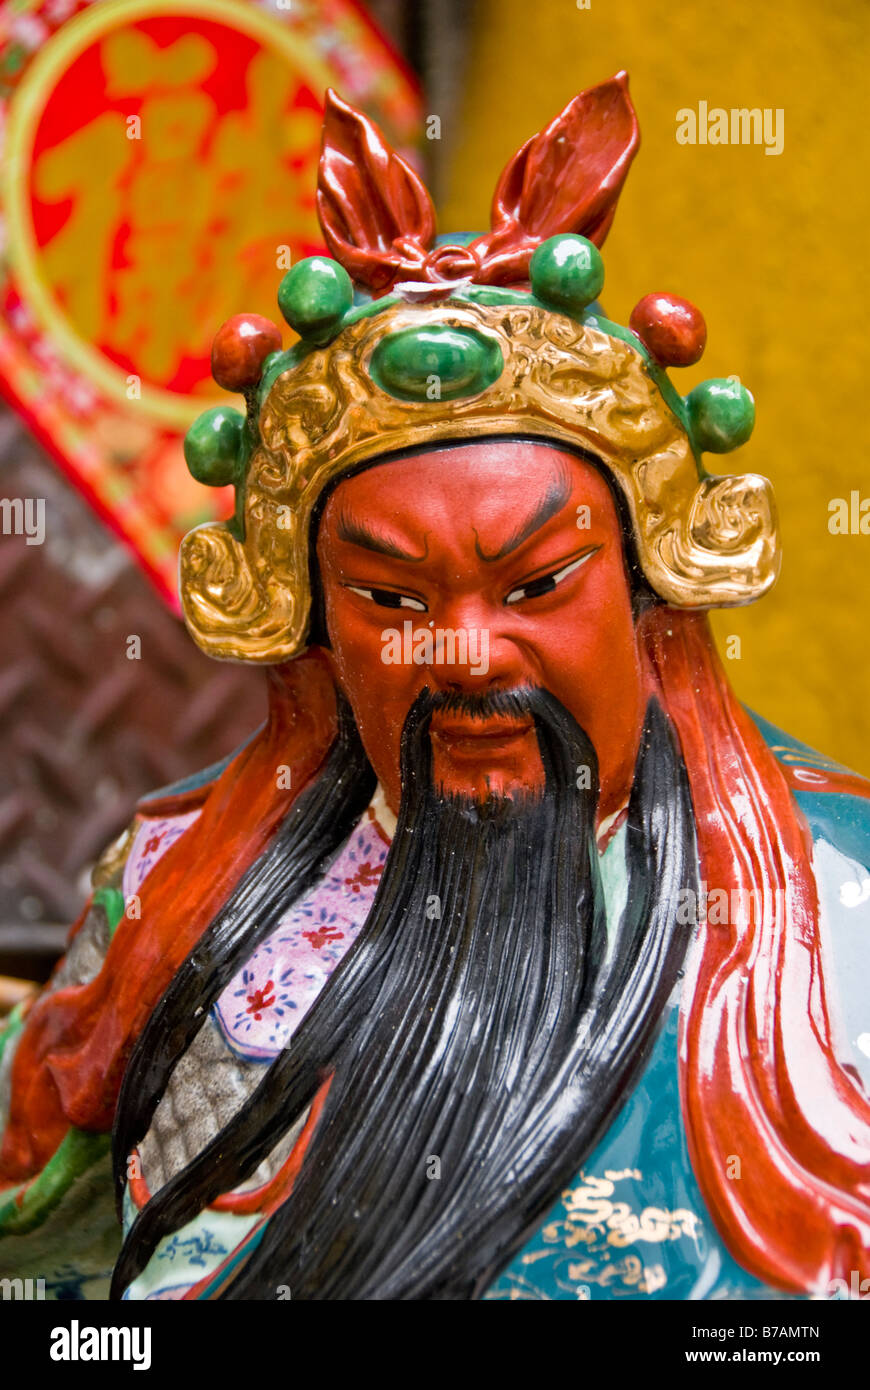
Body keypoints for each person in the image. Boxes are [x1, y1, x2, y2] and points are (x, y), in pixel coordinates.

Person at [1, 74, 868, 1302]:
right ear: (314, 625)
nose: (464, 653)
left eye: (535, 586)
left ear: (644, 591)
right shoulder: (173, 900)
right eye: (392, 601)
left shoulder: (847, 906)